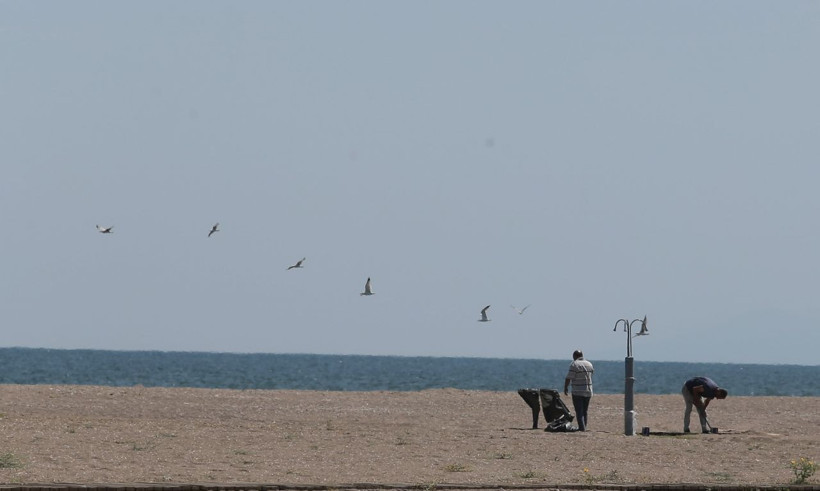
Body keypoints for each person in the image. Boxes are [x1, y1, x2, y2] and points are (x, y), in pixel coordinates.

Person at [563, 349, 594, 431]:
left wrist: (566, 387)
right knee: (585, 410)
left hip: (578, 391)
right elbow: (591, 374)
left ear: (575, 356)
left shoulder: (574, 364)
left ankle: (582, 428)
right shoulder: (589, 364)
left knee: (579, 411)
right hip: (588, 390)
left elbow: (569, 377)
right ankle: (584, 426)